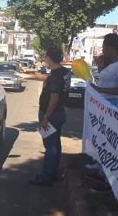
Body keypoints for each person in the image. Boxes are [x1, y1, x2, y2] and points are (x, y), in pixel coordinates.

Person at [28, 46, 71, 187]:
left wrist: (46, 118)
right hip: (60, 114)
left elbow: (54, 99)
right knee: (55, 144)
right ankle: (52, 173)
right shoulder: (64, 72)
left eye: (46, 57)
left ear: (50, 59)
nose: (44, 60)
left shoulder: (55, 77)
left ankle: (46, 177)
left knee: (50, 146)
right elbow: (47, 78)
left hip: (51, 115)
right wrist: (28, 75)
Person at [91, 34, 118, 110]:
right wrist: (100, 66)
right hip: (105, 101)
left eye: (104, 48)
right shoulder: (111, 63)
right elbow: (107, 79)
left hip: (113, 103)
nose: (102, 51)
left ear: (111, 48)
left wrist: (99, 89)